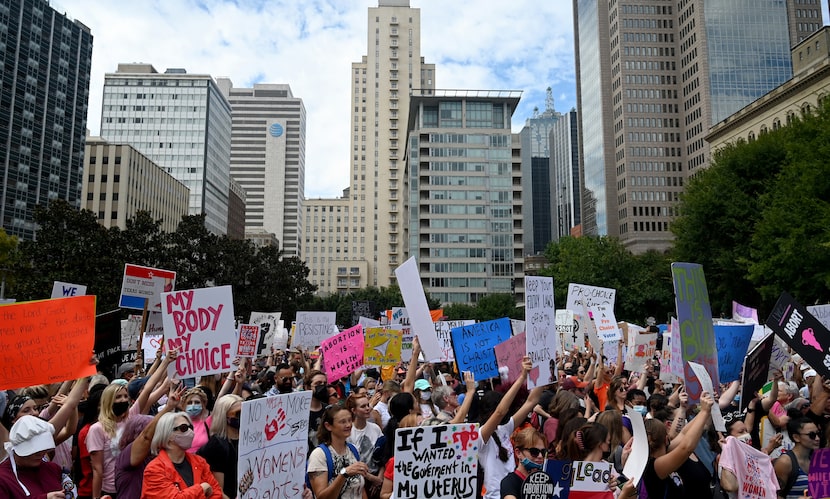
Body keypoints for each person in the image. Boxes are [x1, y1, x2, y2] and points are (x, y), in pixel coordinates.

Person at [478, 357, 543, 499]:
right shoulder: (481, 436)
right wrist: (522, 377)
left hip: (514, 491)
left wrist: (544, 371)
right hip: (494, 497)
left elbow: (531, 401)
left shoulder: (504, 429)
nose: (507, 411)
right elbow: (500, 411)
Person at [641, 391, 714, 499]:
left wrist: (705, 410)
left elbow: (684, 433)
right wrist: (703, 412)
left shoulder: (664, 451)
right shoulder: (654, 466)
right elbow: (686, 448)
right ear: (666, 439)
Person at [140, 412, 222, 499]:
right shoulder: (154, 469)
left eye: (191, 427)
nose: (190, 432)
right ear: (168, 435)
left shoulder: (199, 462)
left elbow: (217, 494)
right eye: (184, 428)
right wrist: (202, 488)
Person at [0, 415, 75, 498]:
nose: (40, 453)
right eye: (34, 450)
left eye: (43, 448)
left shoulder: (53, 469)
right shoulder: (3, 478)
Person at [307, 405, 369, 499]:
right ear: (328, 426)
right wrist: (344, 474)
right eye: (342, 422)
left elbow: (360, 489)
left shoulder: (353, 450)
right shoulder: (319, 455)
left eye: (349, 420)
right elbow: (322, 497)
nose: (348, 425)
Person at [197, 394, 243, 499]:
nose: (242, 416)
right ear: (224, 415)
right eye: (238, 413)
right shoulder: (217, 445)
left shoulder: (247, 439)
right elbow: (218, 490)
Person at [774, 416, 819, 498]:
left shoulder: (819, 460)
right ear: (796, 437)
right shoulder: (785, 462)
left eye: (818, 434)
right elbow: (775, 496)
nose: (817, 438)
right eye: (812, 435)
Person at [500, 427, 548, 499]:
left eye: (543, 452)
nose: (540, 456)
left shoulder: (546, 480)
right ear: (518, 453)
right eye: (534, 452)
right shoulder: (509, 482)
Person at [181, 387, 211, 453]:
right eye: (189, 403)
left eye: (197, 402)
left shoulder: (209, 421)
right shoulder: (178, 423)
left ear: (203, 404)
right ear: (184, 405)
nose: (193, 406)